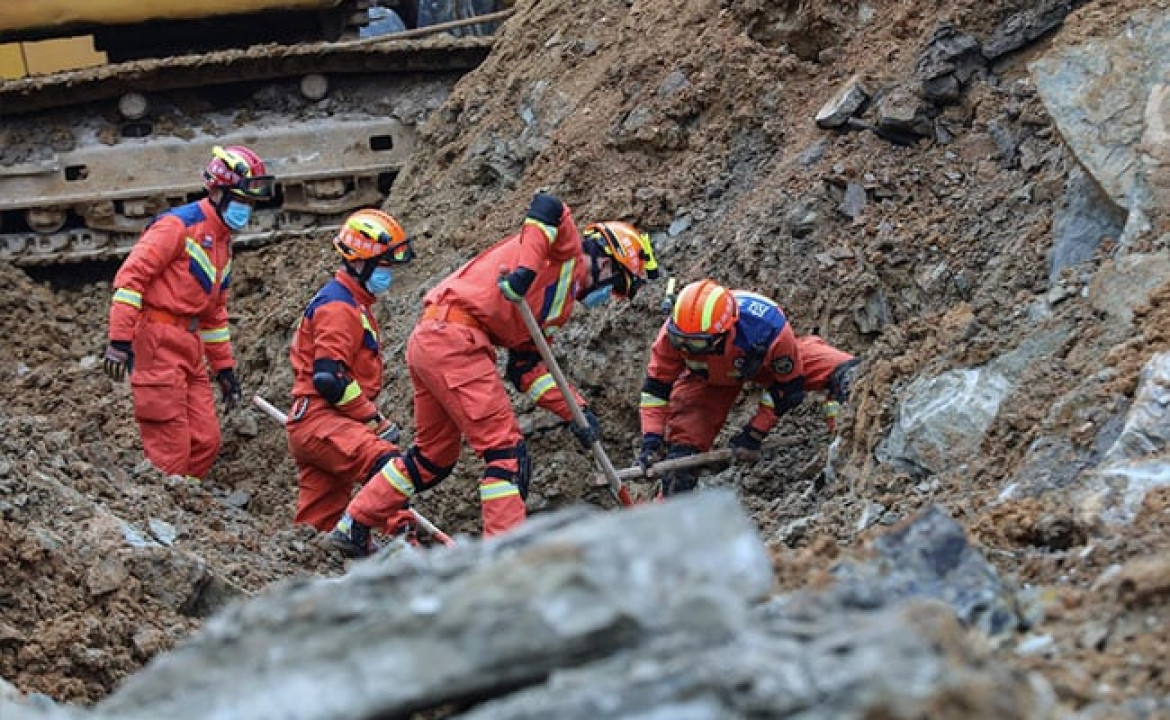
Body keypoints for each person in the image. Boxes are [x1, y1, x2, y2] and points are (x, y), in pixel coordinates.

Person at [328, 191, 658, 555]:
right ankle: (503, 559)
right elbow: (547, 206)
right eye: (618, 285)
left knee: (432, 459)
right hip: (456, 341)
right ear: (607, 264)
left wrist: (576, 411)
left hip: (433, 341)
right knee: (506, 453)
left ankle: (354, 524)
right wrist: (524, 274)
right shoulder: (565, 253)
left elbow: (526, 369)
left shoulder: (558, 307)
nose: (610, 296)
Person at [102, 145, 275, 482]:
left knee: (205, 442)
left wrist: (224, 369)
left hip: (189, 343)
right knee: (171, 449)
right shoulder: (176, 226)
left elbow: (214, 315)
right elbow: (130, 280)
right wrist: (120, 340)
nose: (246, 209)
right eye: (242, 200)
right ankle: (167, 515)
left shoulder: (223, 241)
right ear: (217, 191)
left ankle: (184, 505)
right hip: (156, 339)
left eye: (250, 203)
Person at [636, 279, 855, 496]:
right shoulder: (676, 332)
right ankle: (672, 502)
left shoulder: (769, 328)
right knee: (682, 455)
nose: (686, 348)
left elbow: (787, 390)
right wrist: (651, 441)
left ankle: (849, 451)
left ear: (725, 332)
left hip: (763, 363)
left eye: (696, 344)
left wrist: (754, 433)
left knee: (846, 372)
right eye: (680, 342)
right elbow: (656, 390)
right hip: (709, 380)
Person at [285, 209, 416, 536]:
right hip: (322, 421)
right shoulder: (339, 307)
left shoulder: (350, 302)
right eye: (383, 264)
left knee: (317, 527)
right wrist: (373, 420)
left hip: (318, 423)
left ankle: (311, 572)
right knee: (389, 466)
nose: (388, 273)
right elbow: (329, 378)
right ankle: (402, 543)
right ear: (360, 262)